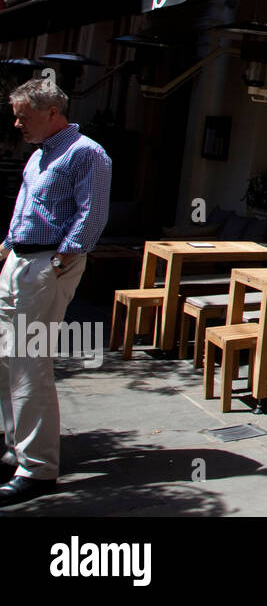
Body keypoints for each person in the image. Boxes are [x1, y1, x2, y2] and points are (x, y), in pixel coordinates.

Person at [0, 78, 111, 507]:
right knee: (6, 359)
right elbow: (25, 208)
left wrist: (60, 262)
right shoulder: (39, 154)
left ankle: (37, 468)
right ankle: (15, 449)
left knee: (29, 362)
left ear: (52, 113)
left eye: (23, 116)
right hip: (20, 261)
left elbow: (92, 212)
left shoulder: (87, 153)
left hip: (47, 262)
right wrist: (8, 250)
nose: (16, 124)